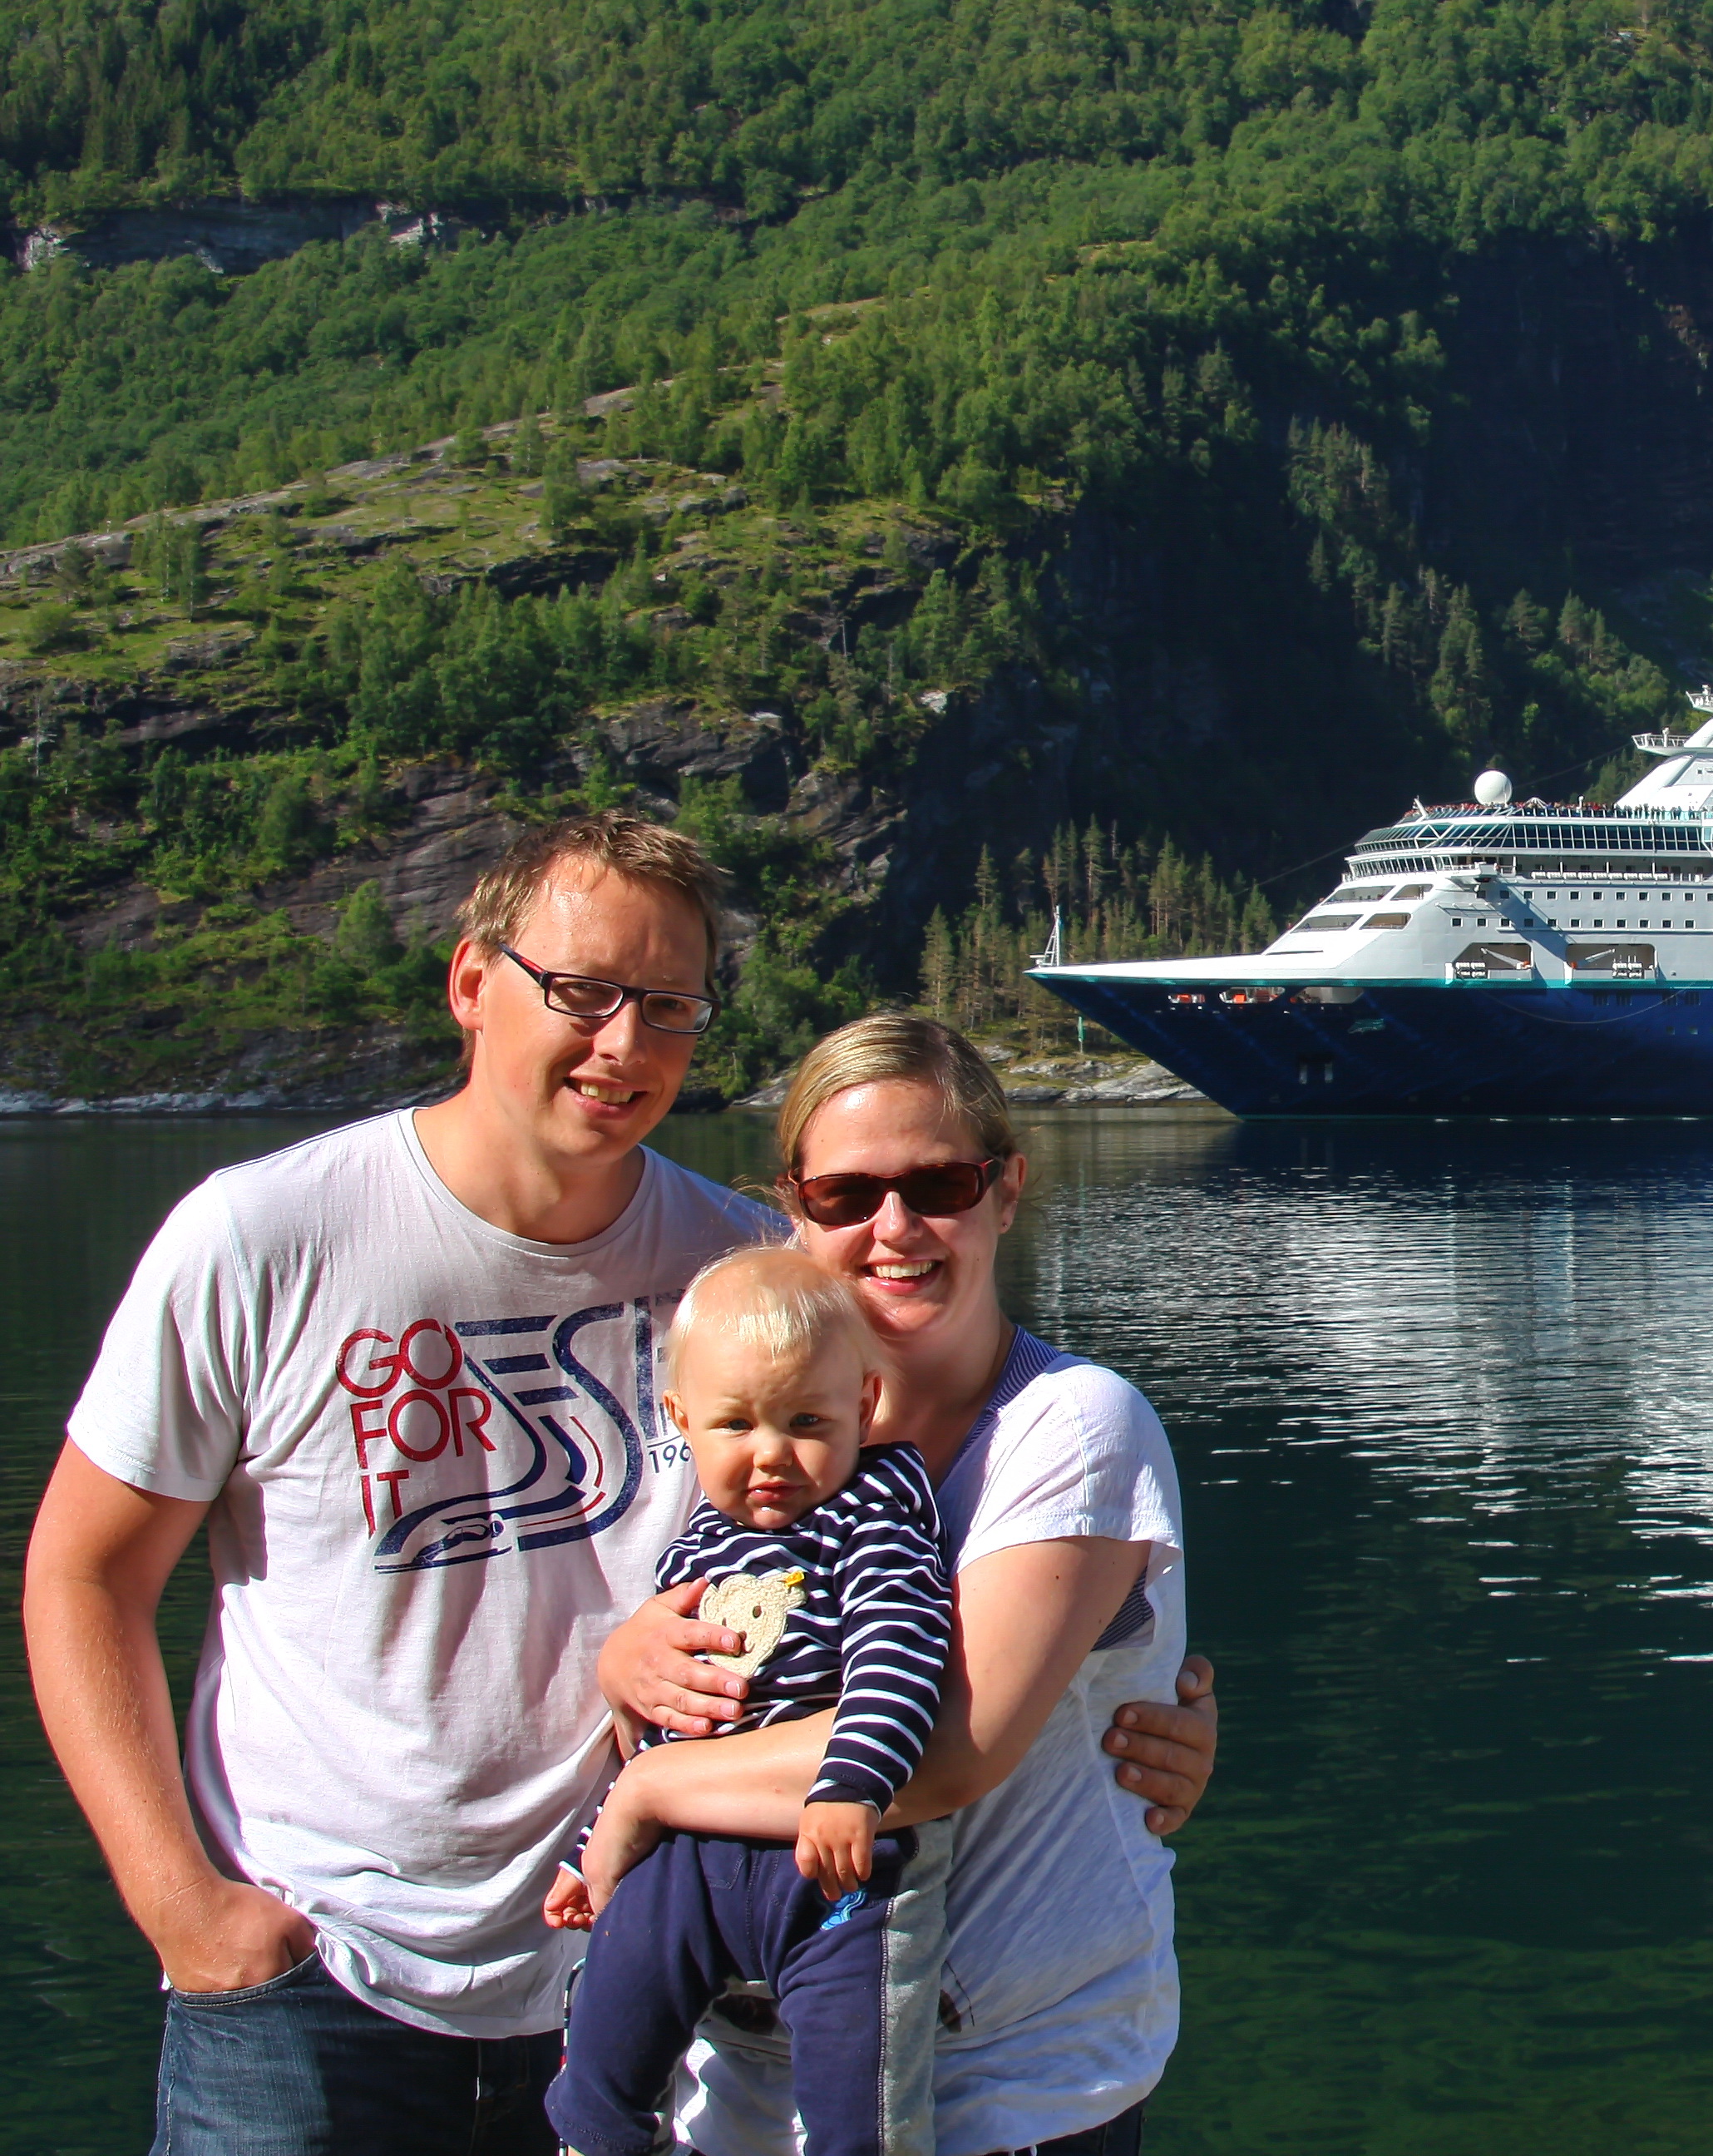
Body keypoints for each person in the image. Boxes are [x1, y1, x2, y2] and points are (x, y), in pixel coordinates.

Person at [20, 813, 1217, 2155]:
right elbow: (81, 1571)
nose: (624, 1043)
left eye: (669, 1006)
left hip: (633, 1985)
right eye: (582, 992)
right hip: (321, 1978)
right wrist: (183, 1903)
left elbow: (919, 1583)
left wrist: (1147, 1700)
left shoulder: (757, 1277)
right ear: (473, 984)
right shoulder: (264, 1237)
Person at [589, 1013, 1182, 2156]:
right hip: (742, 2096)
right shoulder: (751, 1438)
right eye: (845, 1196)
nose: (894, 1228)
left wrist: (652, 1793)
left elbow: (949, 1753)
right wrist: (626, 1663)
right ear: (792, 1208)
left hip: (1008, 2094)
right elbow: (679, 1650)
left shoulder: (1073, 1427)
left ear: (1005, 1189)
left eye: (939, 1184)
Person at [547, 1244, 955, 2156]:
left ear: (865, 1406)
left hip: (832, 1857)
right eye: (736, 1425)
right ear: (681, 1420)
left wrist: (853, 1787)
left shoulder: (873, 1518)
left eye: (806, 1420)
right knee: (605, 2039)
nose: (771, 1454)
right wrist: (587, 1852)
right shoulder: (697, 1547)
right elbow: (661, 1731)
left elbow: (903, 1650)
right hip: (685, 1853)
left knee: (860, 2092)